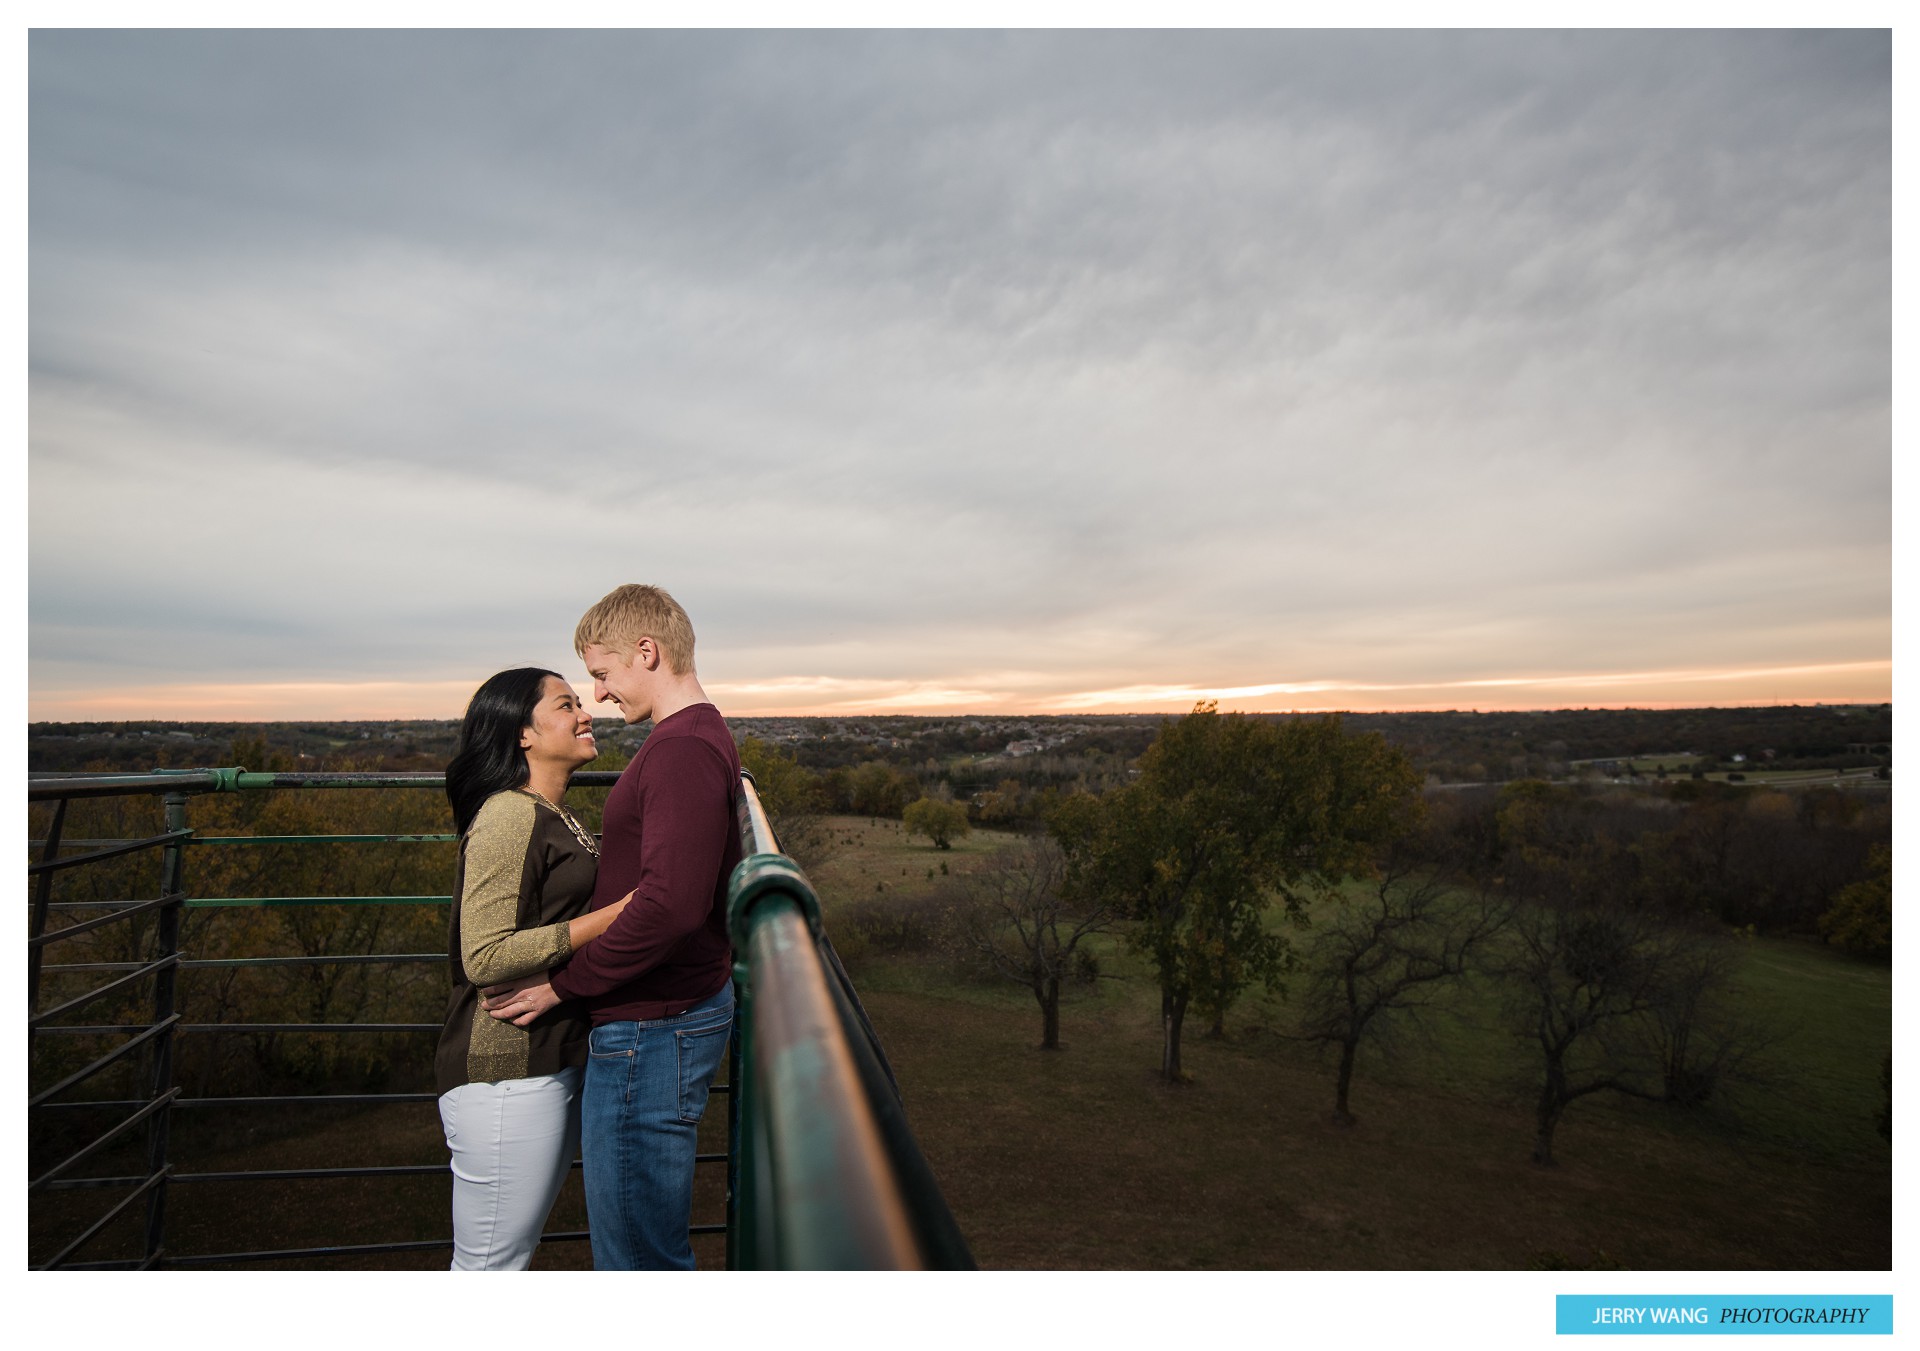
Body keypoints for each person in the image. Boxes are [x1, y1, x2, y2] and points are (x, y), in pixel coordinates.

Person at [481, 584, 742, 1270]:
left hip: (652, 1029)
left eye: (601, 674)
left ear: (647, 652)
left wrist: (564, 983)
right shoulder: (691, 737)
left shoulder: (681, 748)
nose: (597, 696)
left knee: (638, 1262)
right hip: (658, 1018)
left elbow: (671, 906)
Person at [434, 667, 633, 1271]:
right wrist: (620, 914)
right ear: (522, 733)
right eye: (567, 704)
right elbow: (485, 956)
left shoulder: (552, 814)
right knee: (492, 1267)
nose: (585, 713)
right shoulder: (508, 814)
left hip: (543, 1061)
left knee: (507, 1260)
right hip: (505, 1072)